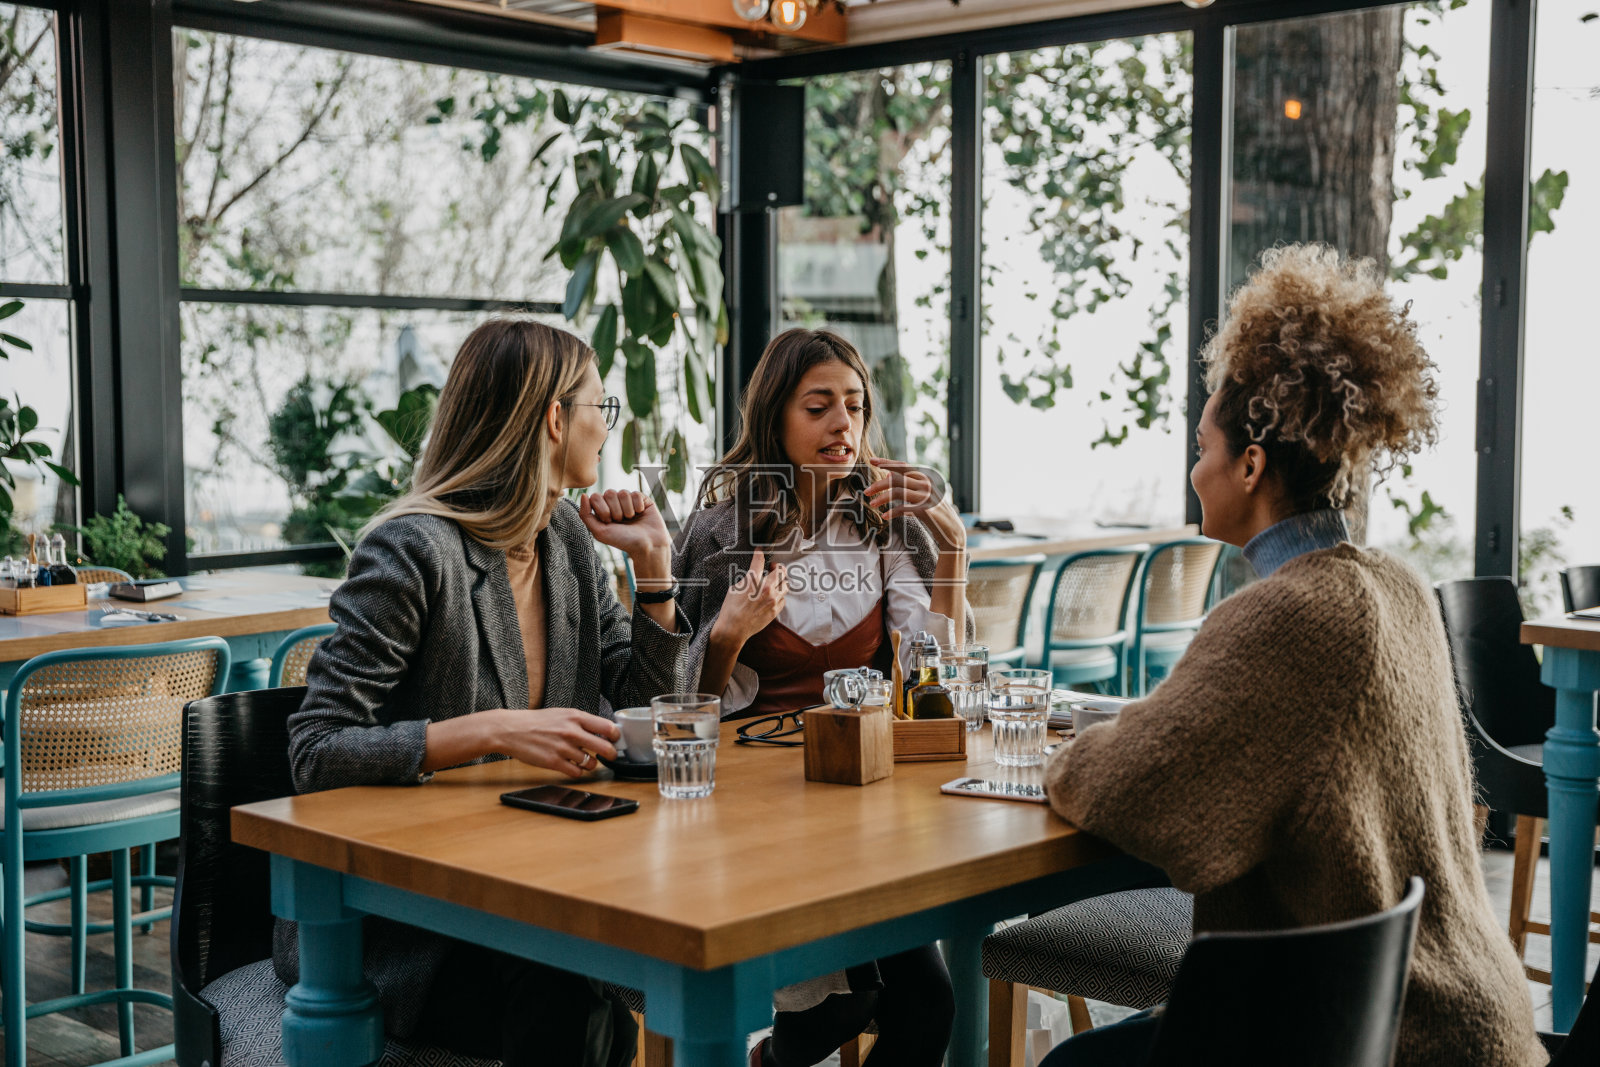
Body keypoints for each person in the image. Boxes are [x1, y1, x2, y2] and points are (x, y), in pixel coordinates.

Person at [1041, 244, 1546, 1067]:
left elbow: (1127, 783)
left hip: (1379, 1037)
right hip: (1468, 1018)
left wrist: (1064, 753)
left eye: (1202, 446)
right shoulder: (1399, 588)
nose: (1194, 469)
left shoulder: (1290, 614)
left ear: (1250, 464)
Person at [276, 319, 692, 1067]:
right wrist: (488, 729)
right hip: (409, 922)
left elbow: (645, 714)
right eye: (603, 406)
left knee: (609, 986)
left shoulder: (565, 538)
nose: (608, 426)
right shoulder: (411, 550)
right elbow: (313, 750)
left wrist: (655, 571)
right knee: (573, 999)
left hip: (539, 879)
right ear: (556, 418)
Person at [672, 328, 965, 1066]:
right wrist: (728, 637)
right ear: (776, 418)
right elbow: (678, 705)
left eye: (856, 405)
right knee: (852, 1002)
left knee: (929, 1002)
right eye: (820, 405)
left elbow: (932, 680)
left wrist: (953, 549)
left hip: (861, 796)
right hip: (755, 808)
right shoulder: (721, 531)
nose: (845, 424)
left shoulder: (886, 524)